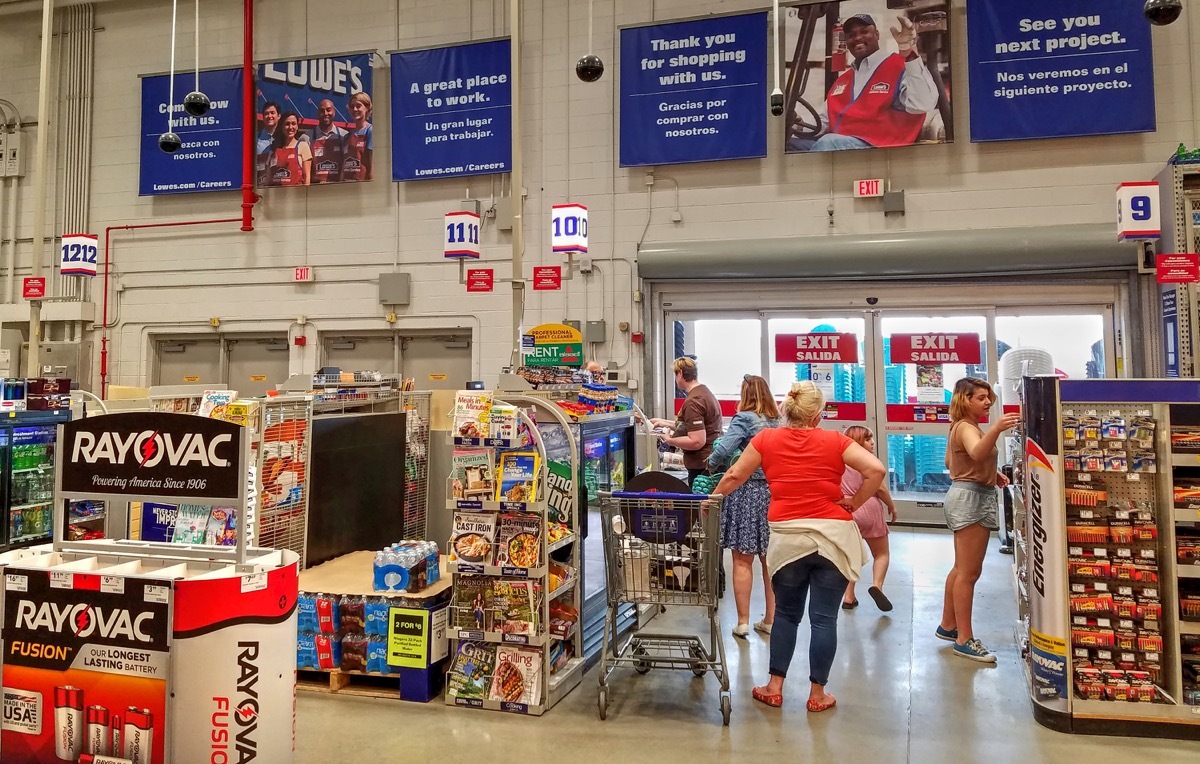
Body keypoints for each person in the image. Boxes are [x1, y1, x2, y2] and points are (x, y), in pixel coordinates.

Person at [712, 381, 884, 711]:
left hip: (788, 537)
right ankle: (818, 694)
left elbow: (735, 474)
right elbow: (875, 469)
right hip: (834, 537)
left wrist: (712, 499)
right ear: (818, 416)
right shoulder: (835, 440)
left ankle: (774, 687)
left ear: (787, 411)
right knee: (823, 620)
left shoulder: (766, 439)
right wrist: (854, 501)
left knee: (787, 615)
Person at [938, 377, 1020, 663]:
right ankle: (964, 639)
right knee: (969, 574)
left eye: (988, 397)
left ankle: (949, 626)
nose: (987, 402)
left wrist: (989, 472)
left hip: (967, 493)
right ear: (965, 399)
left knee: (961, 568)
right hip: (971, 500)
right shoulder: (967, 427)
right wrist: (997, 429)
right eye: (980, 397)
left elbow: (953, 462)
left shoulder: (961, 427)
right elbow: (975, 452)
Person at [788, 14, 939, 152]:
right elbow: (822, 123)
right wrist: (795, 123)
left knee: (828, 143)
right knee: (789, 145)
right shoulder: (843, 81)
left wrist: (910, 53)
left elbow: (923, 104)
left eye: (864, 31)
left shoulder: (900, 65)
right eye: (851, 35)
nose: (858, 37)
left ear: (877, 34)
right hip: (840, 144)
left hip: (882, 149)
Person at [708, 375, 779, 638]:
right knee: (770, 560)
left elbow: (724, 450)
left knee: (742, 559)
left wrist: (711, 464)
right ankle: (771, 619)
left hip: (747, 492)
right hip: (774, 493)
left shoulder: (744, 418)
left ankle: (743, 621)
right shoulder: (778, 419)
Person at [840, 426, 897, 612]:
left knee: (851, 556)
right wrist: (891, 505)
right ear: (857, 442)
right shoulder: (868, 462)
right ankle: (877, 586)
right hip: (869, 508)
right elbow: (879, 489)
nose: (872, 442)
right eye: (867, 439)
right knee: (881, 553)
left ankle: (848, 596)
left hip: (848, 511)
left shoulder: (840, 462)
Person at [650, 357, 722, 489]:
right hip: (711, 463)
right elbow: (692, 426)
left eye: (676, 375)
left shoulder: (693, 401)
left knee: (700, 508)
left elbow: (697, 441)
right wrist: (663, 422)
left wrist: (669, 440)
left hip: (702, 467)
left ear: (681, 373)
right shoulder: (705, 393)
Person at [267, 112, 312, 187]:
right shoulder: (274, 149)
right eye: (287, 124)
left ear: (297, 126)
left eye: (294, 124)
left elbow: (307, 176)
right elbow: (268, 179)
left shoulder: (303, 146)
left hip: (297, 196)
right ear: (282, 126)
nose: (291, 127)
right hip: (276, 196)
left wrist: (305, 196)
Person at [310, 99, 347, 184]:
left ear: (334, 112)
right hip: (316, 189)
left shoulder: (344, 136)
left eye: (328, 110)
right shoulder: (307, 137)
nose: (325, 113)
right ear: (317, 114)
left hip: (338, 188)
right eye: (322, 111)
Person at [342, 91, 373, 181]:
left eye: (358, 106)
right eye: (352, 107)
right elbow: (344, 164)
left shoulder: (370, 131)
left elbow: (372, 163)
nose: (355, 109)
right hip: (347, 185)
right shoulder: (347, 136)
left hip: (363, 185)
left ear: (367, 107)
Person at [256, 101, 281, 186]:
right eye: (266, 114)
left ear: (279, 116)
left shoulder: (285, 139)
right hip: (261, 187)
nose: (269, 116)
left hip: (281, 187)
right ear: (263, 117)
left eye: (272, 113)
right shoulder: (255, 140)